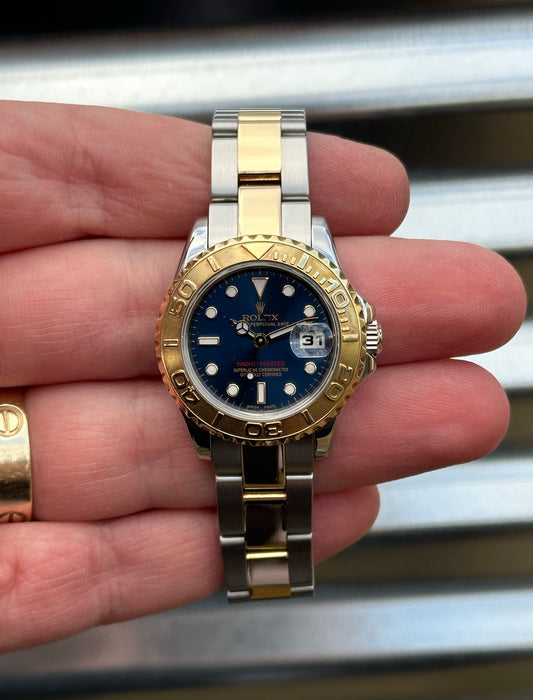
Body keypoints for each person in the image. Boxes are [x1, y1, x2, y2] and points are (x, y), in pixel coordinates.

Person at [0, 101, 526, 654]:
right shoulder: (231, 291)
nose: (258, 340)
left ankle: (269, 573)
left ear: (361, 340)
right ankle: (267, 574)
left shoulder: (291, 298)